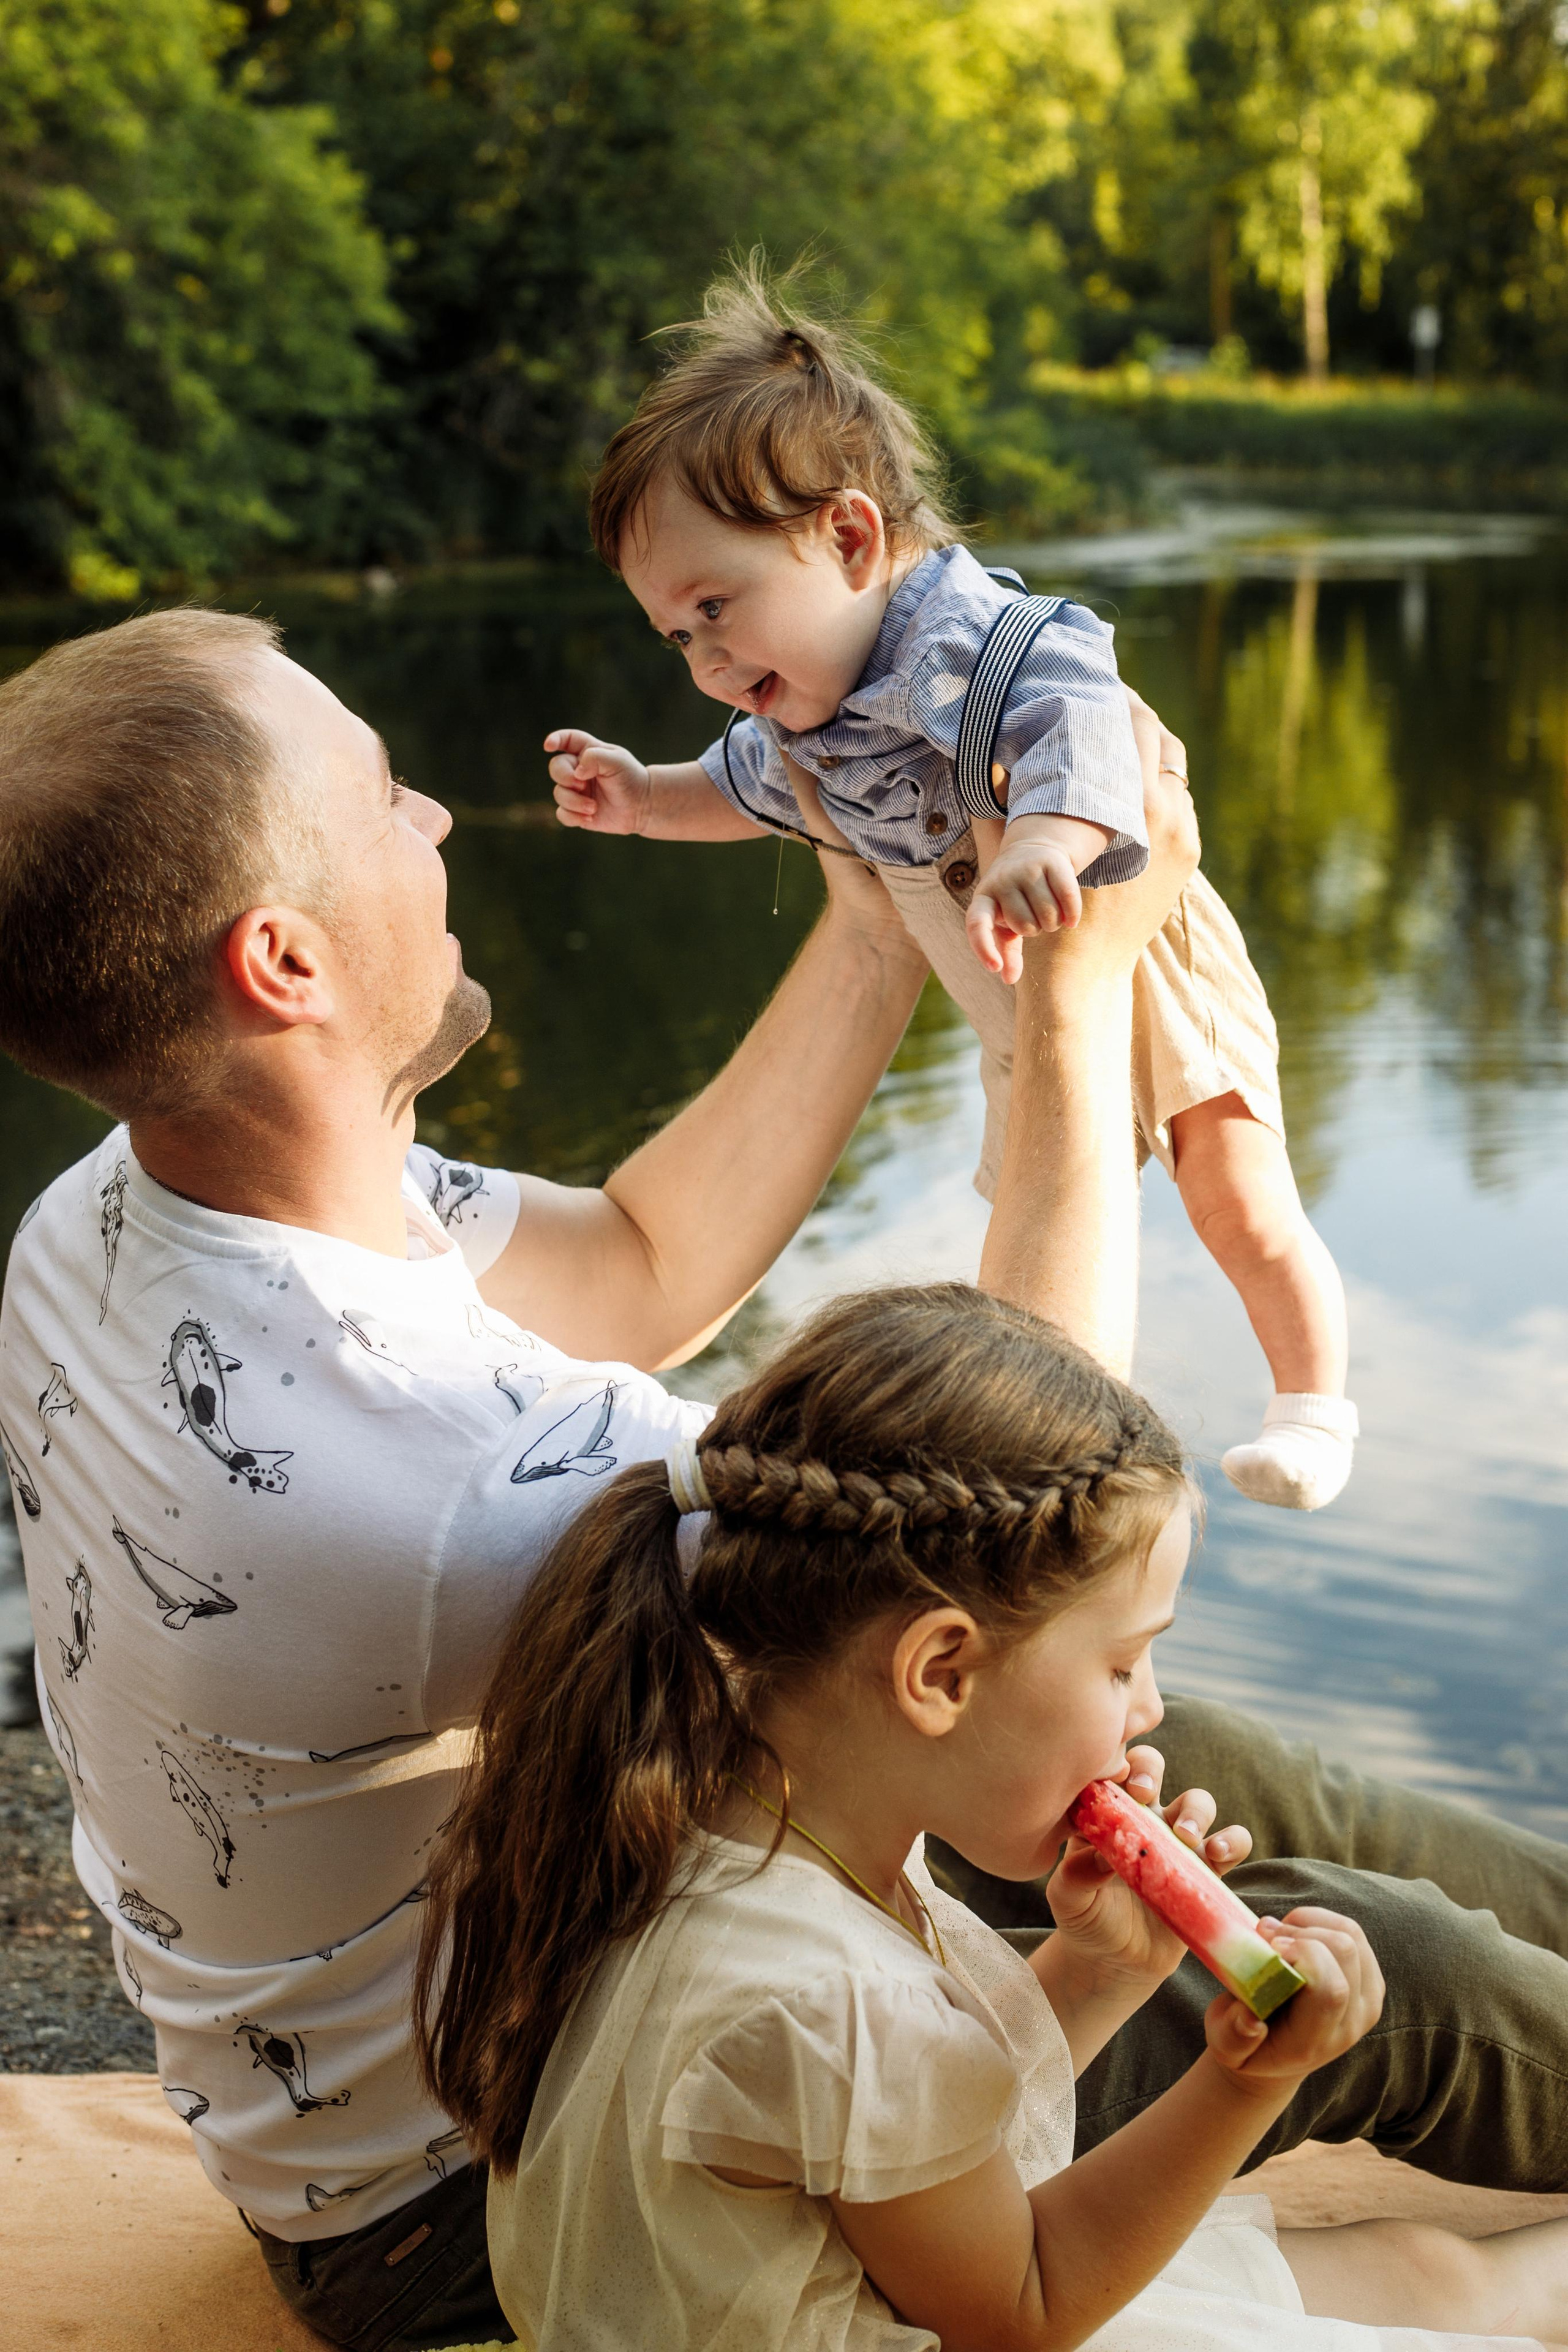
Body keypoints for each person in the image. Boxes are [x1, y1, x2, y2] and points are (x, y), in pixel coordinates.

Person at [0, 607, 1564, 2352]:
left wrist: (872, 888)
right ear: (283, 964)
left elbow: (649, 1257)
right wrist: (1081, 977)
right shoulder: (451, 1484)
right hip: (484, 2187)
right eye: (383, 799)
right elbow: (1032, 1520)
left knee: (1202, 1761)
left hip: (385, 2097)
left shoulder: (109, 1218)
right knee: (1367, 1968)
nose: (438, 816)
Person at [420, 1284, 1568, 2350]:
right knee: (1469, 2306)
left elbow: (899, 2137)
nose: (1152, 1708)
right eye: (1125, 1664)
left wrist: (1102, 1971)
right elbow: (1023, 2308)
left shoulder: (699, 1814)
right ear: (940, 1673)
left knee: (1417, 2267)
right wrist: (1248, 2081)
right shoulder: (838, 1998)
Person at [543, 261, 1357, 1513]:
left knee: (1233, 1196)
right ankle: (1043, 1430)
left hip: (1130, 945)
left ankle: (1312, 1406)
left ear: (852, 536)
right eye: (678, 637)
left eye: (715, 610)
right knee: (1028, 1214)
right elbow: (744, 784)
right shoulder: (809, 707)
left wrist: (1041, 840)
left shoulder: (971, 640)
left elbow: (1085, 712)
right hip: (1011, 998)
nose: (705, 662)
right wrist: (646, 797)